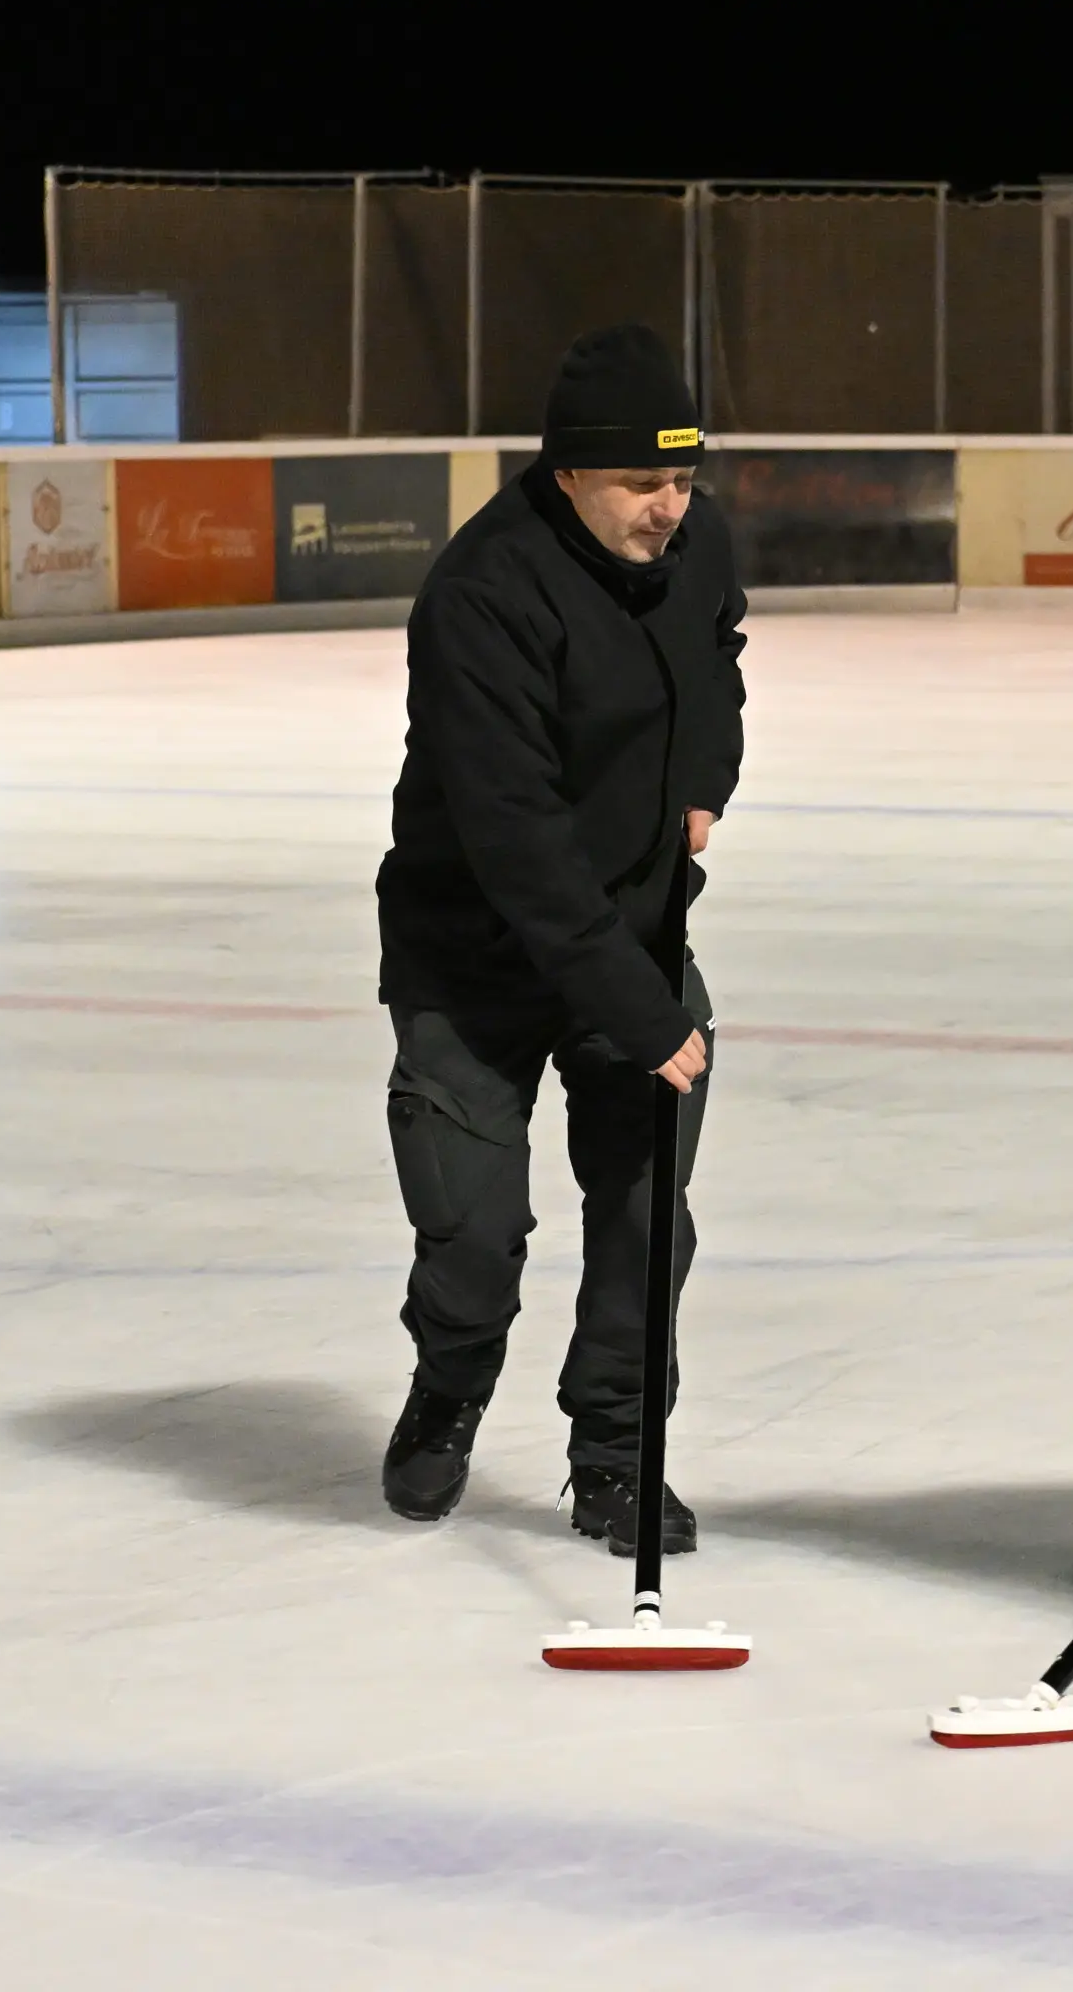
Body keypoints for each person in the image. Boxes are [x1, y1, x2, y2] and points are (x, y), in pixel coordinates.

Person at [372, 322, 745, 1553]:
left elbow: (719, 654)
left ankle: (619, 1455)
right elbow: (516, 838)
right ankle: (450, 1384)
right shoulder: (483, 593)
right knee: (473, 1229)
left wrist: (704, 777)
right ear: (569, 471)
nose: (670, 507)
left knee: (646, 1219)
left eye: (683, 478)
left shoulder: (692, 543)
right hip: (474, 954)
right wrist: (642, 1012)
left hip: (632, 926)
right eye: (643, 482)